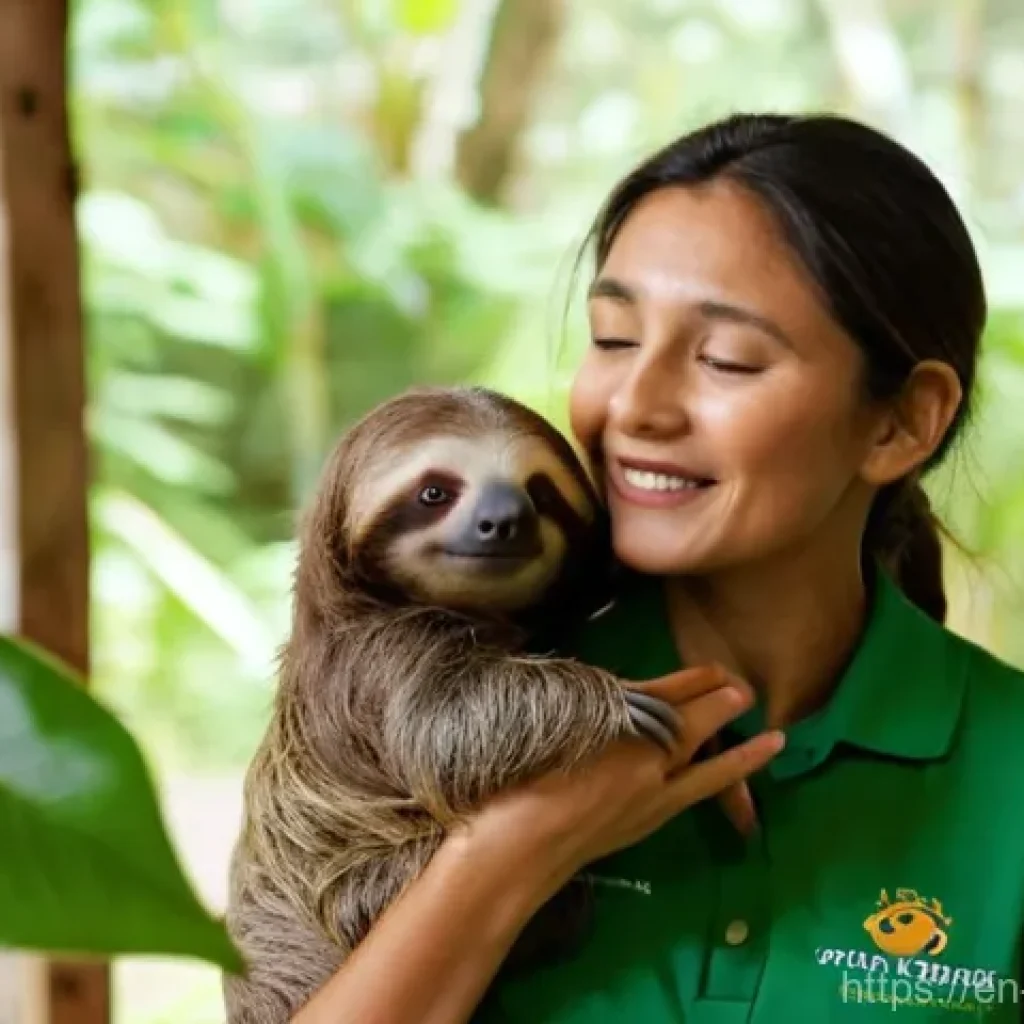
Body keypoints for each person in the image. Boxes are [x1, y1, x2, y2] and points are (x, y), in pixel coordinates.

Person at [292, 112, 1024, 1023]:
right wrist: (507, 853)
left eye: (726, 358)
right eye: (612, 339)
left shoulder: (1004, 766)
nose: (636, 404)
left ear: (900, 422)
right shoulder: (428, 700)